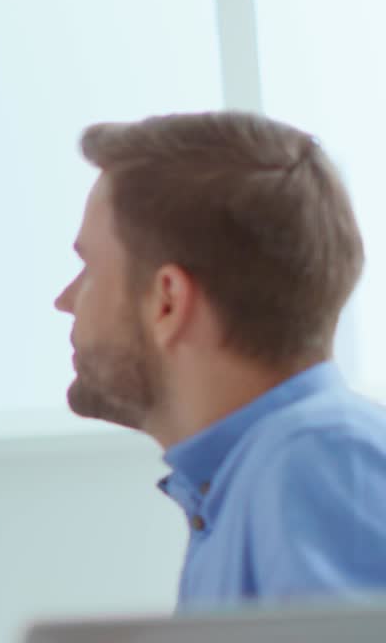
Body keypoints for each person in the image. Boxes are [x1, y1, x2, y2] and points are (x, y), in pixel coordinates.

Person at [55, 111, 386, 611]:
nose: (65, 298)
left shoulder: (315, 459)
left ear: (167, 301)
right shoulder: (247, 479)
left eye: (88, 269)